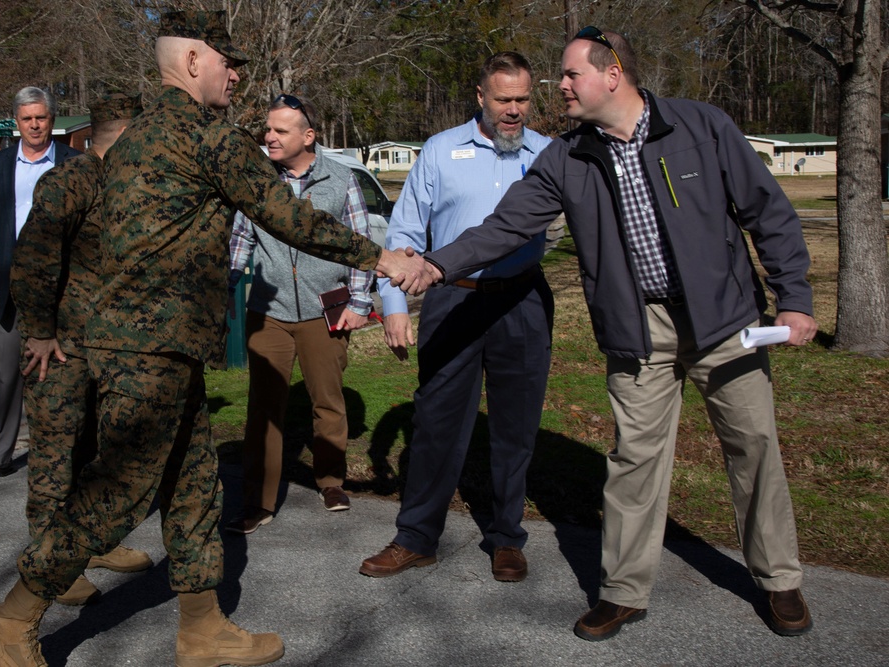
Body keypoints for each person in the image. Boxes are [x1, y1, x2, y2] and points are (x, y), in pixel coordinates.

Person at [0, 10, 424, 667]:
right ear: (190, 64)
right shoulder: (206, 135)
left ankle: (202, 628)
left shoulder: (137, 138)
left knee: (194, 488)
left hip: (149, 345)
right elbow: (285, 212)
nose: (236, 74)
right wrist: (381, 260)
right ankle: (12, 620)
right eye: (225, 61)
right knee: (118, 491)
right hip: (151, 348)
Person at [415, 28, 815, 640]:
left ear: (612, 73)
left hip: (724, 320)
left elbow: (768, 212)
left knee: (754, 447)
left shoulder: (700, 126)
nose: (561, 87)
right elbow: (504, 227)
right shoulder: (566, 156)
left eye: (571, 75)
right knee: (634, 461)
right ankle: (624, 592)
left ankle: (779, 580)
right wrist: (437, 264)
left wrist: (796, 298)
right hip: (639, 328)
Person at [359, 52, 554, 583]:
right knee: (437, 422)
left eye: (522, 99)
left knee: (516, 425)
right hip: (453, 298)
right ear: (480, 97)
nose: (514, 111)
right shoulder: (441, 152)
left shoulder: (548, 154)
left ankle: (507, 537)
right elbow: (405, 232)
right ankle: (416, 537)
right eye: (503, 100)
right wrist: (394, 306)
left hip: (522, 299)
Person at [10, 93, 153, 607]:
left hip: (104, 344)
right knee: (55, 452)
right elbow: (30, 262)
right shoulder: (70, 180)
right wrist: (41, 332)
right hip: (61, 348)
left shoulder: (122, 182)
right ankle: (49, 561)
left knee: (93, 449)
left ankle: (85, 544)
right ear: (124, 132)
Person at [226, 94, 374, 534]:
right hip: (268, 312)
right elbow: (240, 242)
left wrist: (360, 303)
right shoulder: (257, 181)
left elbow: (361, 242)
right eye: (267, 130)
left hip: (324, 309)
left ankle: (330, 480)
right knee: (264, 408)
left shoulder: (341, 179)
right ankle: (259, 500)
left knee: (327, 401)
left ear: (307, 136)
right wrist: (221, 297)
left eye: (280, 131)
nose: (269, 137)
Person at [0, 87, 81, 487]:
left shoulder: (74, 163)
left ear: (53, 119)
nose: (35, 125)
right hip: (9, 289)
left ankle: (65, 459)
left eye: (42, 118)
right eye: (27, 118)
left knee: (60, 375)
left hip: (62, 290)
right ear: (16, 121)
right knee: (5, 376)